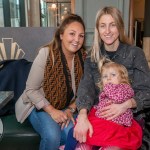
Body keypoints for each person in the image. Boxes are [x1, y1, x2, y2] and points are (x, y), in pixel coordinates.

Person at [66, 6, 150, 150]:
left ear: (120, 27)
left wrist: (125, 105)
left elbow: (146, 91)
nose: (108, 31)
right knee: (77, 141)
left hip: (129, 119)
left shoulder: (135, 53)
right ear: (98, 29)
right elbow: (86, 88)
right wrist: (82, 115)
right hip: (99, 116)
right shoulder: (92, 57)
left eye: (113, 25)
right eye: (103, 26)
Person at [15, 14, 86, 150]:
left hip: (65, 106)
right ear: (61, 35)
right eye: (72, 34)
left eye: (81, 35)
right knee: (52, 135)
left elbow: (84, 90)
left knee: (70, 133)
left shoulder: (83, 57)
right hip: (37, 105)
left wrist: (71, 109)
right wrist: (52, 111)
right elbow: (31, 90)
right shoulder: (46, 54)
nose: (76, 40)